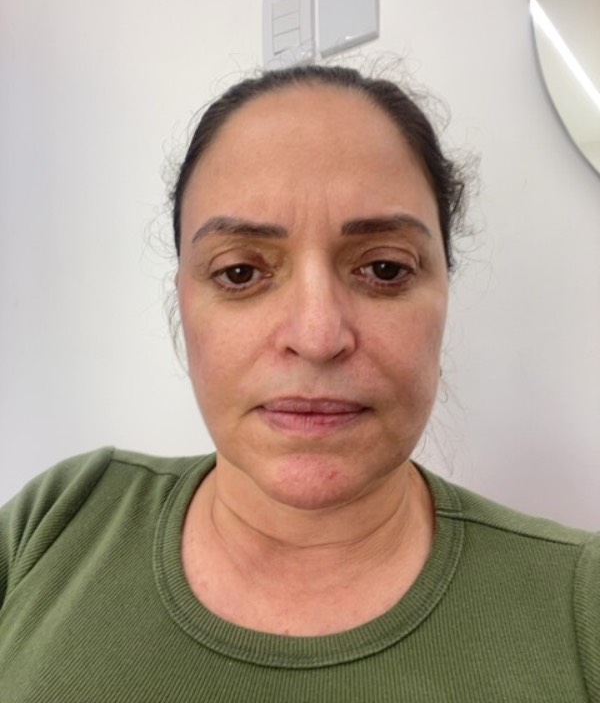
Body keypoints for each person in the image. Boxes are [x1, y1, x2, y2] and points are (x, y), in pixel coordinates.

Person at [0, 65, 598, 702]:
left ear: (445, 294)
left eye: (385, 268)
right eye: (239, 273)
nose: (316, 336)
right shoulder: (62, 516)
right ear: (183, 303)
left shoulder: (580, 604)